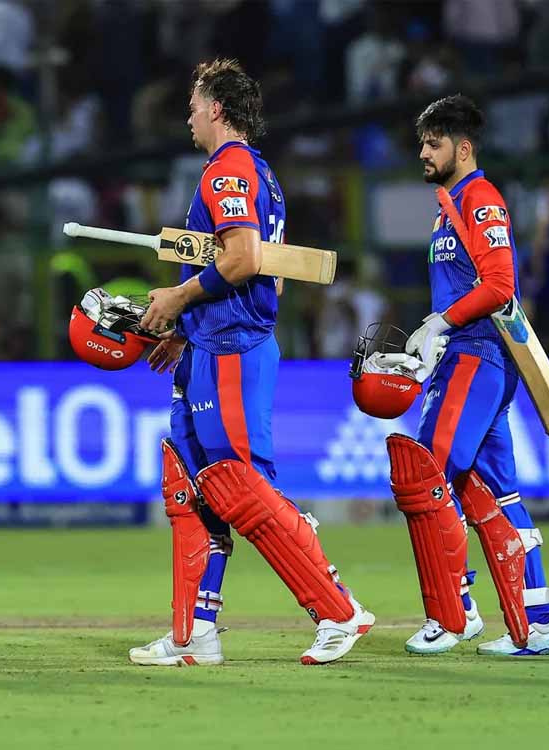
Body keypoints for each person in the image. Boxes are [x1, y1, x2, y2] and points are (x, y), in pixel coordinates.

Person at [129, 59, 374, 667]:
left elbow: (241, 259)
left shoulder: (230, 170)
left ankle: (337, 609)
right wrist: (188, 329)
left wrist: (177, 298)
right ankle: (195, 632)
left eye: (193, 105)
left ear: (216, 108)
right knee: (195, 490)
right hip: (213, 345)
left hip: (234, 350)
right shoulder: (255, 173)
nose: (188, 116)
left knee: (242, 488)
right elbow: (275, 274)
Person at [387, 94, 549, 656]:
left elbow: (500, 286)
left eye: (433, 143)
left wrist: (440, 324)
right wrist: (435, 339)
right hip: (466, 357)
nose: (423, 153)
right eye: (421, 143)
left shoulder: (480, 199)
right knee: (496, 492)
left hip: (476, 356)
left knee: (426, 476)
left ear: (463, 148)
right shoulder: (448, 206)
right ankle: (541, 623)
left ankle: (454, 610)